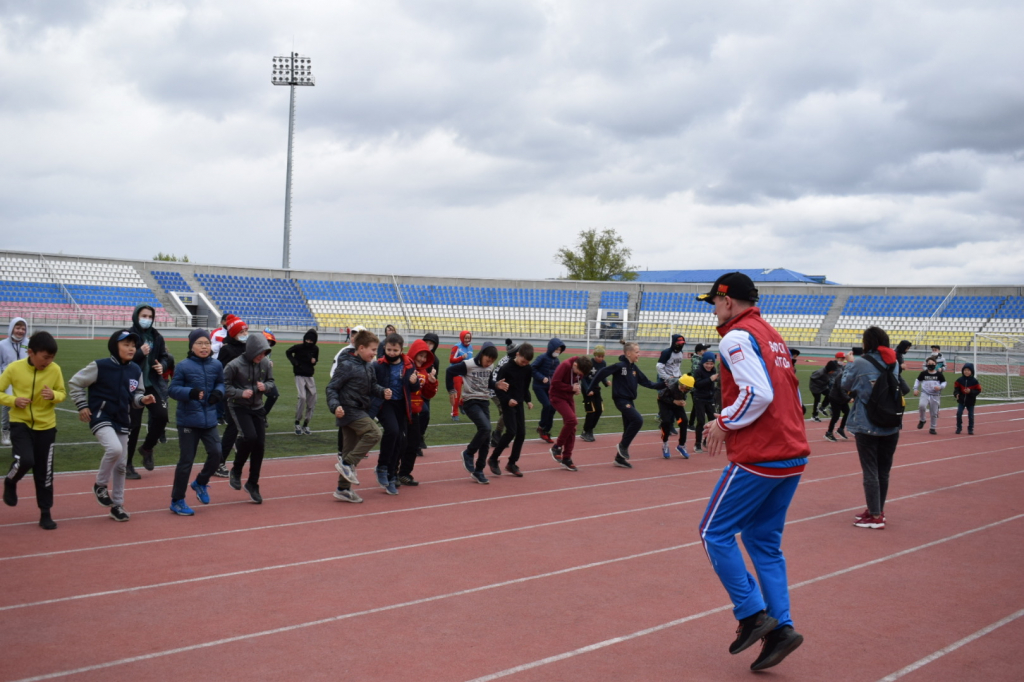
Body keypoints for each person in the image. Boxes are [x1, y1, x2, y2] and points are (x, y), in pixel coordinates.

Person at [694, 272, 809, 672]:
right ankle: (781, 629)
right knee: (763, 541)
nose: (712, 309)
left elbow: (758, 393)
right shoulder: (770, 334)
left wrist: (723, 423)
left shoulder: (736, 336)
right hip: (791, 452)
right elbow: (791, 392)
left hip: (762, 454)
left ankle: (752, 614)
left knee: (713, 532)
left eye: (713, 302)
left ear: (727, 301)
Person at [68, 329, 152, 522]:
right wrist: (82, 406)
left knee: (121, 465)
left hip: (123, 419)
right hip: (101, 416)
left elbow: (136, 396)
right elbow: (75, 383)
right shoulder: (100, 366)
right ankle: (100, 484)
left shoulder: (135, 370)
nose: (131, 349)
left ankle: (117, 506)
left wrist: (143, 399)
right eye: (126, 345)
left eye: (133, 345)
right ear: (115, 346)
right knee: (114, 450)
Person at [0, 331, 66, 530]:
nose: (49, 362)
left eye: (52, 357)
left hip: (46, 427)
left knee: (45, 472)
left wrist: (53, 395)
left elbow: (62, 393)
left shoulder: (55, 370)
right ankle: (11, 481)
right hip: (20, 423)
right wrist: (13, 400)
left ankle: (45, 513)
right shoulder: (14, 369)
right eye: (45, 357)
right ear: (30, 352)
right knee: (26, 460)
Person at [842, 326, 904, 530]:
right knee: (883, 471)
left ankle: (875, 515)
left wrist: (849, 364)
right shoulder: (893, 362)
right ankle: (877, 509)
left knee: (870, 471)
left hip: (867, 423)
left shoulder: (860, 362)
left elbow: (845, 385)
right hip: (891, 422)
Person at [165, 329, 225, 515]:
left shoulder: (216, 365)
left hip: (209, 419)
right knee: (186, 461)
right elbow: (173, 389)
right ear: (191, 346)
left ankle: (200, 482)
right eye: (199, 343)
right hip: (188, 421)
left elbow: (221, 383)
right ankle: (177, 500)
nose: (204, 347)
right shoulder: (183, 366)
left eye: (206, 343)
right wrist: (189, 393)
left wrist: (218, 393)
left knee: (217, 453)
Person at [327, 329, 391, 503]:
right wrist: (335, 406)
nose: (375, 353)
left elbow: (372, 387)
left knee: (349, 449)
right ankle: (346, 464)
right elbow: (331, 388)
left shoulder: (368, 366)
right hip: (348, 410)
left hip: (359, 409)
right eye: (372, 350)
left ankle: (343, 489)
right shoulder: (347, 364)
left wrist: (382, 391)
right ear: (361, 348)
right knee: (374, 433)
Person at [590, 340, 665, 469]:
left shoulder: (634, 368)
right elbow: (601, 372)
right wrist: (591, 387)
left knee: (628, 428)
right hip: (621, 400)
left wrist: (664, 384)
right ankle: (622, 446)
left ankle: (620, 458)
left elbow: (648, 383)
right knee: (638, 420)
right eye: (637, 352)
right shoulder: (620, 366)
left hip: (629, 401)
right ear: (628, 353)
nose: (639, 354)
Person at [223, 332, 275, 504]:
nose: (263, 356)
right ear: (252, 350)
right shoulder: (234, 365)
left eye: (265, 353)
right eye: (260, 352)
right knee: (249, 437)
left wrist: (265, 387)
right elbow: (223, 386)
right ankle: (236, 470)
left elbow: (271, 382)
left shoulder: (265, 363)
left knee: (259, 445)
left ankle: (253, 483)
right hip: (239, 406)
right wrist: (240, 393)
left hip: (257, 407)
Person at [445, 342, 503, 484]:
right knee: (485, 428)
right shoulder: (468, 364)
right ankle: (468, 453)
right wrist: (451, 390)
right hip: (471, 401)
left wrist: (496, 384)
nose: (489, 363)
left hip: (484, 402)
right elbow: (449, 371)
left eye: (492, 361)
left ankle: (479, 471)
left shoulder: (490, 366)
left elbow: (487, 382)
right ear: (482, 354)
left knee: (486, 438)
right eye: (488, 359)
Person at [369, 333, 419, 495]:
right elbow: (371, 386)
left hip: (401, 406)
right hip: (385, 404)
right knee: (393, 431)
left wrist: (414, 382)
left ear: (401, 350)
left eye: (395, 350)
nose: (391, 353)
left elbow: (414, 387)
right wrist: (382, 392)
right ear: (384, 349)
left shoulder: (408, 365)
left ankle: (391, 475)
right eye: (389, 349)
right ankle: (382, 467)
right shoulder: (378, 365)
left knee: (400, 441)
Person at [125, 304, 170, 479]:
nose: (147, 319)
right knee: (133, 426)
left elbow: (165, 356)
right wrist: (138, 353)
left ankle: (147, 448)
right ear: (136, 316)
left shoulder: (157, 336)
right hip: (133, 385)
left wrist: (162, 365)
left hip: (152, 384)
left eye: (150, 316)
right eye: (144, 315)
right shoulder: (128, 335)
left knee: (161, 416)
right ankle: (127, 464)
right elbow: (122, 357)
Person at [490, 343, 535, 476]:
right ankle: (493, 459)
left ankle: (512, 463)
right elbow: (498, 389)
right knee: (511, 432)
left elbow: (525, 387)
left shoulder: (528, 369)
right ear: (517, 355)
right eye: (523, 361)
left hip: (519, 403)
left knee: (521, 434)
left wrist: (528, 400)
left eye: (527, 362)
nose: (524, 364)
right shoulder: (506, 368)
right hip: (507, 403)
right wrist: (507, 400)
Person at [398, 338, 437, 486]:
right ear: (413, 353)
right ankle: (391, 472)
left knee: (413, 443)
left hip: (415, 412)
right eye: (420, 355)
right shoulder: (404, 366)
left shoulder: (424, 372)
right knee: (400, 443)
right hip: (401, 411)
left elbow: (427, 394)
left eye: (425, 356)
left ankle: (405, 473)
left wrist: (432, 383)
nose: (422, 359)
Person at [214, 315, 249, 478]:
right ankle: (218, 462)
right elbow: (221, 372)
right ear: (235, 332)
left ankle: (234, 459)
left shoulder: (246, 347)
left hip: (246, 393)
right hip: (231, 394)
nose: (246, 333)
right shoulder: (226, 349)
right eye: (243, 330)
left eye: (247, 330)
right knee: (233, 427)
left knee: (244, 428)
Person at [547, 354, 594, 472]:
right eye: (578, 371)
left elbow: (576, 382)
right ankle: (557, 447)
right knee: (572, 420)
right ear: (575, 365)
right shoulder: (565, 365)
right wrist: (571, 388)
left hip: (568, 397)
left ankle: (567, 458)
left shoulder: (580, 369)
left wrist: (576, 389)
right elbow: (555, 383)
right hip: (557, 397)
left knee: (572, 427)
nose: (579, 374)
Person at [1, 317, 29, 447]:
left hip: (25, 380)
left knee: (26, 404)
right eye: (18, 328)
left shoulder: (29, 344)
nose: (20, 331)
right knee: (7, 406)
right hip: (8, 380)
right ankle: (6, 431)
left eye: (23, 328)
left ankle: (23, 432)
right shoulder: (2, 345)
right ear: (12, 328)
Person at [285, 328, 320, 435]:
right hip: (299, 375)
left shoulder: (316, 349)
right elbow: (288, 352)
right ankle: (297, 421)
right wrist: (295, 363)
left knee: (313, 397)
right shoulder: (298, 347)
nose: (308, 343)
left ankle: (306, 423)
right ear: (304, 339)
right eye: (307, 340)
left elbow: (315, 360)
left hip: (309, 375)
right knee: (302, 397)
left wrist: (314, 362)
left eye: (311, 341)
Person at [531, 337, 565, 443]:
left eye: (560, 350)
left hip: (550, 388)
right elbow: (532, 368)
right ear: (551, 348)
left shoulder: (557, 360)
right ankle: (541, 425)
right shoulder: (542, 357)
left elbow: (559, 373)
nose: (558, 352)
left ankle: (546, 430)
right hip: (539, 387)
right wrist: (541, 377)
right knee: (547, 405)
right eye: (556, 349)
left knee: (553, 407)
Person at [489, 339, 520, 448]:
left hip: (497, 387)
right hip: (496, 389)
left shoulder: (506, 359)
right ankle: (497, 434)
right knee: (506, 412)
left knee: (504, 412)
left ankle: (497, 438)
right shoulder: (509, 363)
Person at [656, 334, 687, 434]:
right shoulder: (667, 353)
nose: (680, 345)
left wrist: (679, 377)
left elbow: (677, 366)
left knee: (676, 403)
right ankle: (665, 423)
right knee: (667, 402)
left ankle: (670, 424)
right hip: (666, 380)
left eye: (682, 343)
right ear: (674, 343)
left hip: (676, 380)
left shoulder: (681, 353)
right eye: (678, 343)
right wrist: (667, 378)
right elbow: (659, 366)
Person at [658, 374, 694, 458]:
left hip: (677, 404)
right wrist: (673, 401)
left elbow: (683, 396)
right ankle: (665, 443)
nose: (684, 389)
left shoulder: (687, 389)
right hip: (665, 403)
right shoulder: (670, 386)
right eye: (682, 387)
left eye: (687, 389)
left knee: (683, 421)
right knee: (666, 422)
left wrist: (682, 401)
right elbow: (660, 396)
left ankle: (681, 445)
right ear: (680, 383)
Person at [691, 351, 719, 454]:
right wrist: (710, 379)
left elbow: (712, 384)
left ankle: (706, 441)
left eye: (711, 364)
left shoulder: (714, 370)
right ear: (703, 362)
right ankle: (697, 444)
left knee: (712, 421)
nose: (709, 366)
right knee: (701, 421)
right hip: (699, 399)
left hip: (710, 399)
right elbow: (697, 384)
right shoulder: (698, 371)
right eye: (707, 363)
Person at [580, 345, 608, 442]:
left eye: (602, 356)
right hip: (587, 389)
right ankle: (586, 431)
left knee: (599, 410)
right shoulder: (589, 363)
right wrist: (588, 390)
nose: (600, 358)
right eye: (598, 356)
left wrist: (606, 382)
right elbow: (583, 378)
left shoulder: (603, 363)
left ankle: (590, 429)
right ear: (595, 355)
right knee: (591, 411)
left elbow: (602, 375)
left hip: (596, 389)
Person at [418, 332, 441, 448]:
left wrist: (432, 380)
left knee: (426, 416)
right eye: (426, 342)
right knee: (422, 413)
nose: (428, 345)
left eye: (431, 343)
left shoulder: (435, 361)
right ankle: (416, 440)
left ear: (435, 345)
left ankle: (420, 436)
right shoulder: (417, 355)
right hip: (415, 391)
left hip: (426, 392)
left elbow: (435, 378)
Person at [913, 357, 946, 435]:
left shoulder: (939, 374)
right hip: (925, 393)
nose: (931, 365)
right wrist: (915, 389)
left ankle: (932, 428)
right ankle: (922, 420)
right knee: (921, 406)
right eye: (929, 364)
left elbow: (944, 382)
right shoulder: (923, 373)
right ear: (926, 364)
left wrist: (940, 387)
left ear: (936, 364)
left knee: (934, 412)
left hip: (935, 395)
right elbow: (918, 380)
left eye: (932, 364)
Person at [824, 357, 853, 442]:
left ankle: (840, 429)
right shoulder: (841, 376)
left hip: (842, 399)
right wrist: (848, 399)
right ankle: (829, 432)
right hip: (835, 398)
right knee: (836, 416)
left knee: (847, 412)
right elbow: (841, 390)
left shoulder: (850, 377)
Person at [449, 330, 474, 421]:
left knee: (471, 391)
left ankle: (461, 403)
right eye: (465, 338)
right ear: (462, 338)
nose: (467, 340)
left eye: (469, 338)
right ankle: (454, 413)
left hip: (466, 373)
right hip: (456, 373)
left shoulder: (471, 347)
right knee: (457, 393)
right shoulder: (456, 347)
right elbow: (451, 360)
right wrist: (461, 358)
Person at [954, 363, 982, 435]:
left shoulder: (974, 381)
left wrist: (971, 391)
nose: (966, 372)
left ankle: (970, 429)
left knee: (971, 415)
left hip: (971, 401)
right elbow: (956, 388)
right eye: (965, 370)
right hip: (961, 401)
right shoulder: (959, 380)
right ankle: (959, 427)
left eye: (968, 370)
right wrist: (956, 394)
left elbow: (978, 390)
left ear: (972, 372)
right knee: (959, 414)